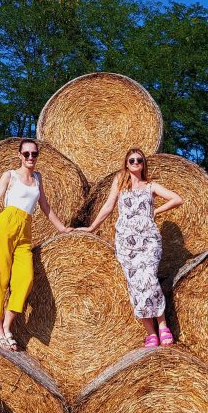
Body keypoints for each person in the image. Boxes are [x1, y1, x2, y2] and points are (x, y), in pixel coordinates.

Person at [78, 148, 183, 348]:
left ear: (143, 164)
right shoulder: (120, 183)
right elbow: (108, 207)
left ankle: (162, 326)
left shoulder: (150, 186)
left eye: (139, 160)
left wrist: (154, 211)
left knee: (150, 280)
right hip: (126, 242)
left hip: (149, 240)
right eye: (132, 160)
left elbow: (177, 199)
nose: (136, 163)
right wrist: (92, 227)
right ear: (126, 163)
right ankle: (151, 333)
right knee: (135, 285)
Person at [0, 139, 68, 350]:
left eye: (34, 154)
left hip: (25, 229)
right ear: (19, 155)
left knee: (25, 278)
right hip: (5, 224)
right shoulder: (9, 176)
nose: (30, 157)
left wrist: (62, 228)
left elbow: (45, 207)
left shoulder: (38, 178)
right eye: (26, 154)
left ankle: (8, 326)